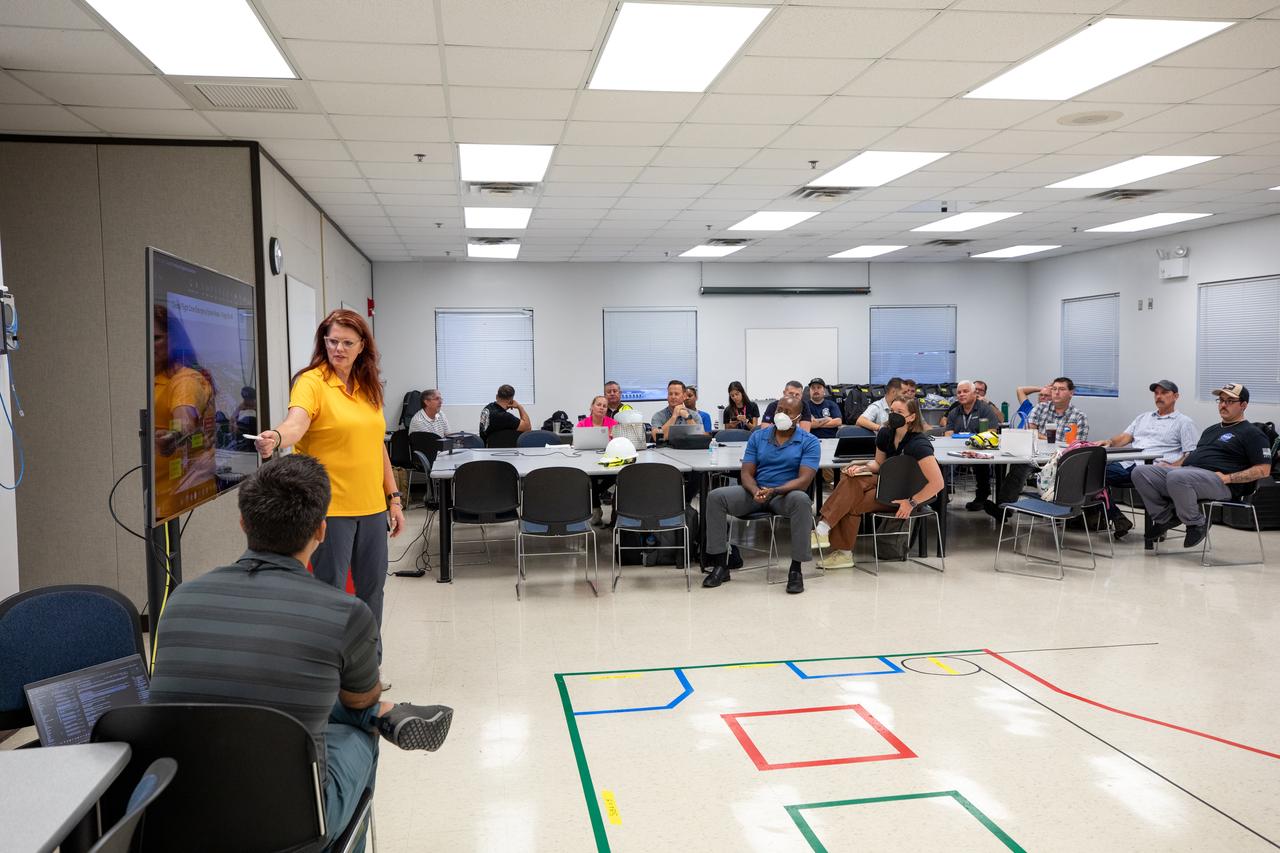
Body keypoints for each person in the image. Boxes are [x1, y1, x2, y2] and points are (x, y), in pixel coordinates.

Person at [149, 455, 452, 851]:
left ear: (243, 524)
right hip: (287, 824)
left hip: (179, 816)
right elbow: (360, 697)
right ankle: (385, 723)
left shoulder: (181, 599)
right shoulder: (345, 613)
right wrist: (371, 707)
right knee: (360, 724)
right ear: (323, 531)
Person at [255, 309, 403, 668]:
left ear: (362, 346)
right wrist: (277, 437)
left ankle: (366, 669)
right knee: (330, 594)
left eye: (347, 343)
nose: (338, 348)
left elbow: (376, 445)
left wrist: (394, 498)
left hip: (371, 509)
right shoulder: (312, 382)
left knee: (372, 593)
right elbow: (297, 422)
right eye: (332, 341)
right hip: (330, 509)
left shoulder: (369, 386)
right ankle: (329, 673)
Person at [1132, 383, 1272, 548]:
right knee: (1141, 472)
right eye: (1220, 400)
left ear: (1243, 405)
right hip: (1190, 474)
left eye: (1229, 401)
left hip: (1222, 483)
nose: (1223, 405)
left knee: (1177, 477)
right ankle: (1166, 518)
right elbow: (1194, 457)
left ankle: (1197, 522)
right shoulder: (1211, 430)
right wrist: (1173, 466)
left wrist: (1228, 478)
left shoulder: (1253, 434)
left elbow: (1264, 470)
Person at [701, 398, 819, 594]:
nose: (781, 414)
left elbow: (804, 480)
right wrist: (755, 490)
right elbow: (746, 472)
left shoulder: (810, 442)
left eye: (788, 411)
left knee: (802, 500)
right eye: (779, 409)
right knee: (716, 497)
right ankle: (721, 565)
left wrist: (775, 491)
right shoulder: (759, 436)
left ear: (798, 417)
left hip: (785, 495)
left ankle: (796, 570)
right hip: (755, 493)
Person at [813, 396, 945, 569]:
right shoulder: (885, 433)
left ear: (912, 417)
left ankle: (830, 537)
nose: (893, 415)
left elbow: (938, 483)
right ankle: (827, 532)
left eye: (899, 412)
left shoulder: (919, 444)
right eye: (891, 411)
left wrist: (911, 502)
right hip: (886, 484)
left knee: (851, 502)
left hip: (906, 494)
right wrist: (861, 468)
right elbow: (879, 464)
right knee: (852, 479)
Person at [1098, 380, 1198, 539]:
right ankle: (1118, 518)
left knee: (1136, 473)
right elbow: (1125, 437)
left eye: (1164, 393)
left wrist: (1173, 467)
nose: (1159, 396)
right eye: (1156, 393)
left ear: (1176, 396)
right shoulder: (1143, 418)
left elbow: (1190, 453)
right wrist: (1109, 442)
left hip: (1157, 470)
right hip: (1130, 465)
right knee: (1093, 473)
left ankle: (1161, 520)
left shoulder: (1184, 422)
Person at [986, 377, 1089, 517]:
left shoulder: (1079, 417)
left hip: (1062, 460)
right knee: (1019, 467)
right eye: (1054, 389)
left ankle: (1058, 509)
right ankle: (1004, 510)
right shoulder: (1040, 408)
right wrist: (1052, 438)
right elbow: (1031, 432)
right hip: (1037, 456)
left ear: (1071, 393)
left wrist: (1043, 436)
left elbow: (1077, 445)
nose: (1057, 392)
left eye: (1062, 389)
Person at [153, 304, 218, 520]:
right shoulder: (157, 377)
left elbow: (184, 421)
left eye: (156, 338)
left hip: (172, 504)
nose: (148, 345)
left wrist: (172, 436)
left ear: (173, 340)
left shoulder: (184, 380)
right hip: (166, 497)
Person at [941, 380, 1002, 511]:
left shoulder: (985, 409)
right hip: (957, 449)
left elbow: (992, 431)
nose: (961, 394)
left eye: (965, 391)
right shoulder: (954, 411)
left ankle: (982, 497)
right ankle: (942, 497)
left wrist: (975, 442)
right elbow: (948, 433)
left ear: (974, 394)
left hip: (978, 448)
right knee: (942, 464)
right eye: (959, 392)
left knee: (981, 463)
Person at [579, 395, 620, 525]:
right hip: (588, 462)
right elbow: (577, 445)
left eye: (604, 406)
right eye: (598, 404)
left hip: (609, 462)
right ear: (591, 407)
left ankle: (595, 501)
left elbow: (619, 445)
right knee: (590, 478)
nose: (601, 408)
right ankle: (596, 509)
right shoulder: (582, 424)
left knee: (617, 475)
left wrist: (613, 438)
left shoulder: (613, 424)